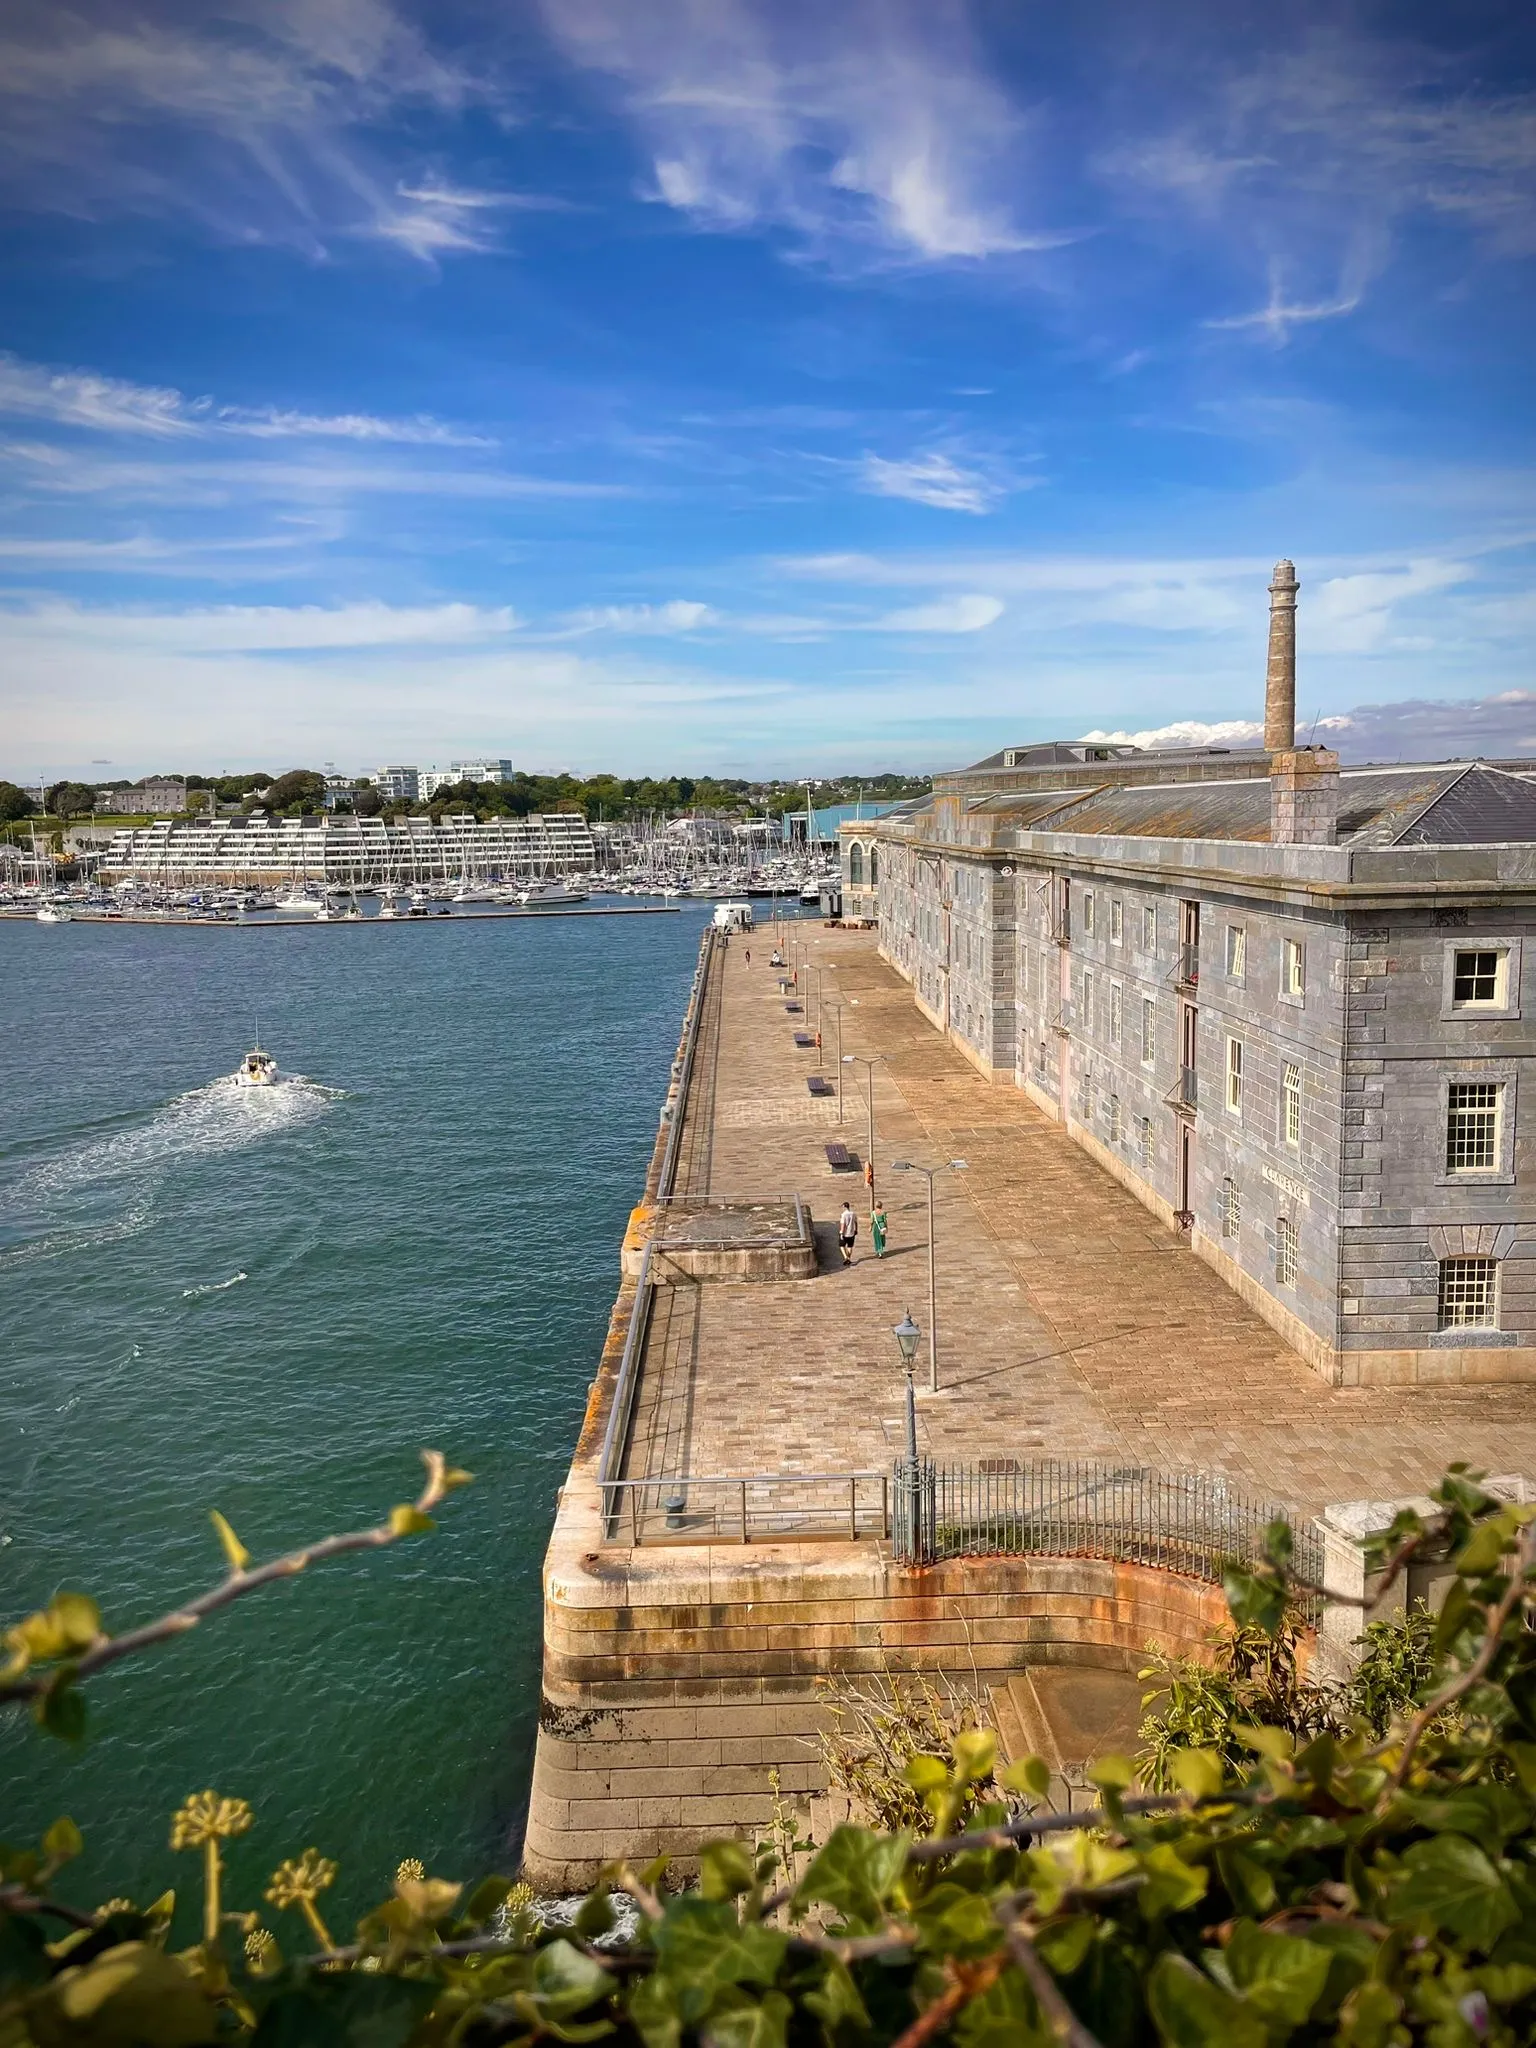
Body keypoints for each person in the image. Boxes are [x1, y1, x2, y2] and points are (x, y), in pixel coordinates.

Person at [837, 1202, 858, 1267]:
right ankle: (848, 1258)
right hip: (851, 1232)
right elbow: (855, 1222)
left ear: (844, 1207)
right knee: (850, 1246)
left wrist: (841, 1233)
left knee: (841, 1245)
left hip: (845, 1233)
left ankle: (846, 1257)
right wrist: (856, 1230)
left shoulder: (843, 1215)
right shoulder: (853, 1214)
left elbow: (843, 1225)